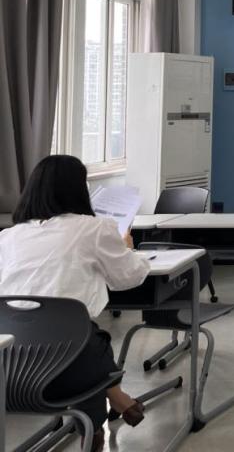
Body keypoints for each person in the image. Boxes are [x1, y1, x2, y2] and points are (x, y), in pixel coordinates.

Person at [0, 155, 151, 452]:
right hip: (65, 373)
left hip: (7, 371)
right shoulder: (95, 229)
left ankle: (115, 403)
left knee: (81, 337)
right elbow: (128, 278)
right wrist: (129, 250)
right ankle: (95, 428)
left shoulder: (7, 237)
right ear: (80, 189)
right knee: (87, 341)